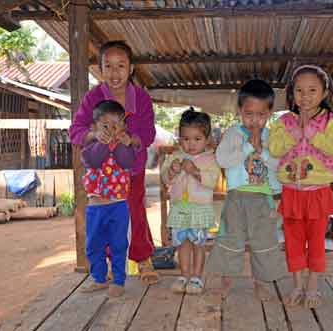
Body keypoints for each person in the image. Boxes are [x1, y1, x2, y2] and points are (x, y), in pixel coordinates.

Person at [69, 40, 158, 285]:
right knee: (105, 218)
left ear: (131, 69)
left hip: (132, 170)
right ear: (100, 70)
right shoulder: (93, 97)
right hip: (102, 176)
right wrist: (93, 135)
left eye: (121, 66)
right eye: (108, 66)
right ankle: (108, 264)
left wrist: (132, 139)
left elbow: (149, 133)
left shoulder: (141, 98)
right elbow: (74, 130)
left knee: (136, 214)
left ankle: (143, 259)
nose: (115, 72)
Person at [269, 64, 333, 308]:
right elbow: (274, 149)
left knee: (316, 242)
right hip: (291, 193)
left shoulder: (331, 122)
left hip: (318, 193)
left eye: (312, 90)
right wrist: (295, 132)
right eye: (299, 90)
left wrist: (310, 131)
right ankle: (298, 286)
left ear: (324, 93)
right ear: (292, 94)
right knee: (292, 242)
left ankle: (312, 287)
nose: (305, 96)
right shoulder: (283, 122)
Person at [205, 79, 285, 301]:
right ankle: (226, 283)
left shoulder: (272, 137)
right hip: (237, 197)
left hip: (263, 198)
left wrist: (264, 153)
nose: (255, 120)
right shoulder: (233, 133)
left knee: (264, 241)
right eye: (249, 114)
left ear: (269, 113)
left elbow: (280, 165)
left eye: (261, 114)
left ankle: (262, 283)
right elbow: (222, 159)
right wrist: (249, 146)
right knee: (231, 240)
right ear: (240, 111)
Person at [161, 109, 221, 295]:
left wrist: (195, 171)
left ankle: (196, 277)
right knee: (182, 244)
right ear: (180, 139)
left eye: (197, 139)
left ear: (207, 139)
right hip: (180, 209)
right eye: (186, 139)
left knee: (198, 244)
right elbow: (166, 179)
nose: (191, 144)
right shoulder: (174, 157)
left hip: (200, 209)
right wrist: (172, 171)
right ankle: (184, 275)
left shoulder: (211, 158)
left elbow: (213, 180)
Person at [79, 100, 135, 297]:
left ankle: (118, 280)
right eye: (105, 126)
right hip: (95, 207)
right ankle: (99, 279)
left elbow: (127, 161)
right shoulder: (89, 148)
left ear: (123, 127)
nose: (111, 130)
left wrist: (122, 142)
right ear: (94, 128)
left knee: (119, 243)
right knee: (94, 244)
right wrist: (102, 141)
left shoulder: (125, 148)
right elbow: (94, 160)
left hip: (118, 206)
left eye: (115, 125)